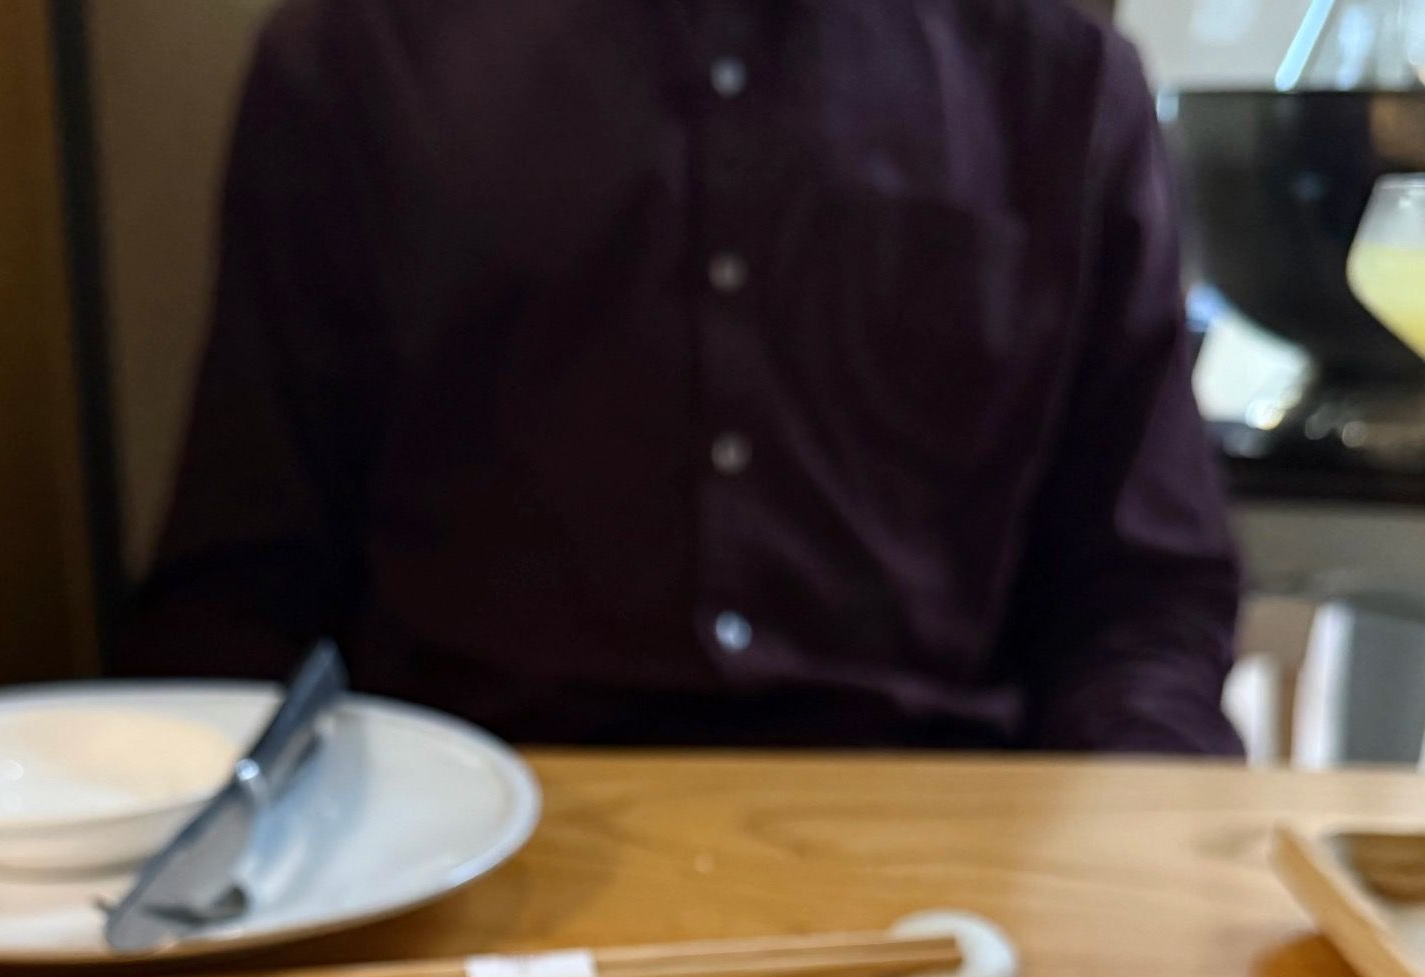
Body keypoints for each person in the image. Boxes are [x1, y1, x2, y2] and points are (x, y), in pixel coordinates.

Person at [123, 0, 1242, 756]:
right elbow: (244, 578)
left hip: (945, 860)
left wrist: (1134, 867)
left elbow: (1145, 592)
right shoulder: (356, 56)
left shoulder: (1061, 81)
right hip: (467, 831)